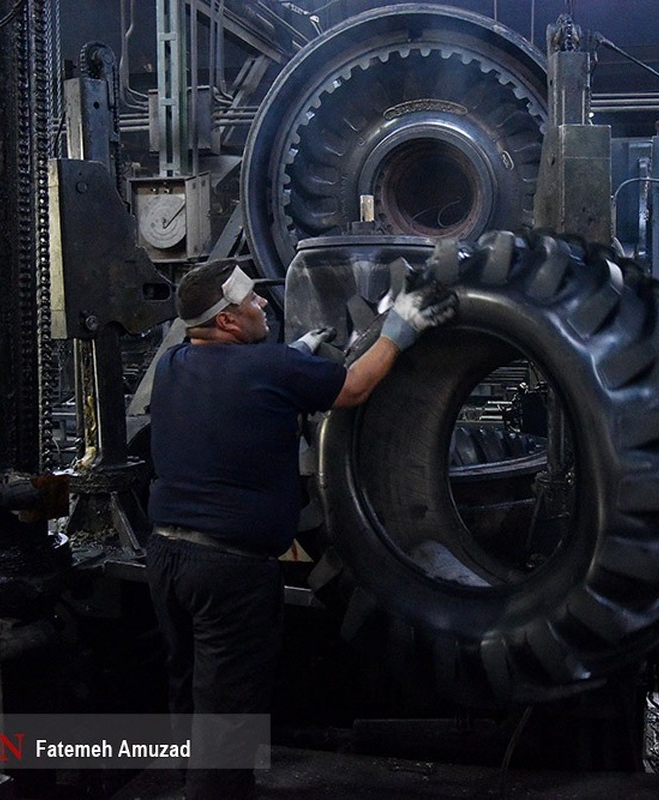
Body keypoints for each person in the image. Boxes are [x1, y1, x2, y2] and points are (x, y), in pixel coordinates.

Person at [144, 257, 457, 799]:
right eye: (250, 302)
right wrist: (401, 329)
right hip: (230, 573)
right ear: (227, 323)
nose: (262, 303)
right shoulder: (268, 369)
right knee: (229, 709)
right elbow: (355, 388)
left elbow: (234, 391)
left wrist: (293, 358)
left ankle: (187, 784)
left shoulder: (172, 366)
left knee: (188, 688)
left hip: (168, 559)